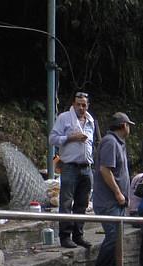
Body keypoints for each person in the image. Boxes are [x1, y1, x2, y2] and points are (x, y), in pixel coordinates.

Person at [89, 112, 134, 266]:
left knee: (118, 238)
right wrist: (118, 193)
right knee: (113, 236)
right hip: (108, 201)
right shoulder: (110, 142)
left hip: (118, 202)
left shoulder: (119, 144)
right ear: (123, 125)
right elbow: (105, 170)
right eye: (129, 125)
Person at [49, 92, 97, 249]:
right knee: (66, 202)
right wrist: (70, 137)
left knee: (82, 203)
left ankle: (78, 235)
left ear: (87, 105)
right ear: (74, 104)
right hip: (70, 167)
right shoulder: (64, 118)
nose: (81, 108)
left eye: (84, 105)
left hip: (87, 167)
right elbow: (52, 139)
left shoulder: (90, 120)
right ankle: (65, 236)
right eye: (79, 104)